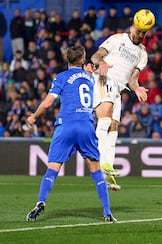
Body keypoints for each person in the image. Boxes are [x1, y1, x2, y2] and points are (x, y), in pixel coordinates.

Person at [26, 46, 116, 222]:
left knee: (52, 169)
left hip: (65, 126)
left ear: (67, 59)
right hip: (86, 126)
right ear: (82, 60)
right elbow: (87, 75)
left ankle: (40, 202)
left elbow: (47, 103)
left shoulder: (61, 77)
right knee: (96, 171)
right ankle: (107, 212)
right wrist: (89, 70)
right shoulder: (89, 78)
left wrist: (34, 117)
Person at [90, 9, 154, 191]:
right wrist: (100, 63)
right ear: (133, 26)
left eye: (144, 33)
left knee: (114, 126)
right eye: (139, 31)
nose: (141, 35)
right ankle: (99, 162)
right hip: (103, 79)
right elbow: (96, 54)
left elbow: (132, 80)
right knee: (106, 116)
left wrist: (138, 88)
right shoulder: (118, 39)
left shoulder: (142, 54)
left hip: (118, 88)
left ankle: (107, 170)